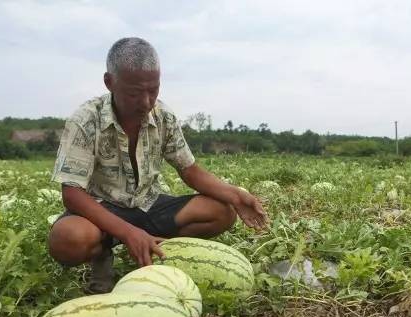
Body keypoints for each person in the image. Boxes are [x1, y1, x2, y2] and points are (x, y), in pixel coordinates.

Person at [48, 37, 268, 293]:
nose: (146, 102)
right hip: (102, 210)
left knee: (222, 210)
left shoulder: (163, 116)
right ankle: (103, 257)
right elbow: (72, 195)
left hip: (149, 205)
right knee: (67, 240)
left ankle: (161, 254)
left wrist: (237, 195)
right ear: (110, 82)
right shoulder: (85, 120)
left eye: (153, 90)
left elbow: (190, 170)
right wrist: (128, 232)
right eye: (134, 93)